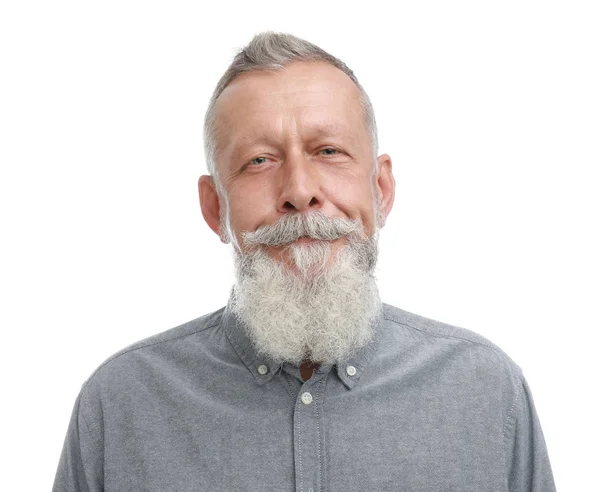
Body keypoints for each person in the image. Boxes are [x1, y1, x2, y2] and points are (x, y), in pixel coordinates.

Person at [53, 32, 556, 492]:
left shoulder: (487, 392)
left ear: (380, 190)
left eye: (329, 150)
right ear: (215, 208)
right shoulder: (118, 407)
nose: (299, 192)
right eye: (259, 161)